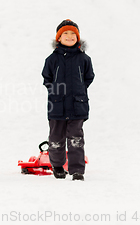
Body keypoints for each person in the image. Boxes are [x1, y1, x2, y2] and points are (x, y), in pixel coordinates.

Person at [42, 19, 95, 181]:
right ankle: (57, 166)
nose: (70, 36)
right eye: (66, 33)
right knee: (56, 138)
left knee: (76, 139)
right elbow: (47, 78)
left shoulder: (84, 59)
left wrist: (79, 91)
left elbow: (88, 77)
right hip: (56, 106)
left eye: (73, 34)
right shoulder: (52, 59)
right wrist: (56, 92)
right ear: (59, 38)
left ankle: (77, 170)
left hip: (78, 106)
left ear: (78, 38)